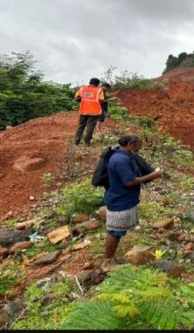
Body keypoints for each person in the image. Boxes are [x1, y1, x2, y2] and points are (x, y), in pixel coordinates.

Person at [103, 134, 163, 266]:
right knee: (115, 232)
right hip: (120, 200)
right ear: (131, 144)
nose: (140, 147)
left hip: (121, 198)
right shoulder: (122, 160)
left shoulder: (122, 155)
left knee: (116, 231)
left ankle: (110, 258)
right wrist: (153, 175)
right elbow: (129, 181)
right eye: (139, 145)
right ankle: (107, 260)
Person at [74, 78, 106, 146]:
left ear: (90, 82)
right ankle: (87, 142)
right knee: (90, 126)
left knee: (81, 125)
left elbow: (76, 98)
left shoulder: (82, 89)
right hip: (94, 112)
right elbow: (101, 100)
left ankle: (76, 141)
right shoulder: (99, 90)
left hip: (83, 110)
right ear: (97, 84)